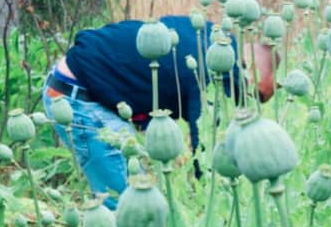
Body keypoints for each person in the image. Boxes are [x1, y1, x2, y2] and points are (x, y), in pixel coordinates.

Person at [42, 15, 276, 206]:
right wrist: (211, 201)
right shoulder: (219, 69)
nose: (245, 100)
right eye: (255, 94)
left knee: (140, 198)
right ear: (251, 69)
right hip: (78, 99)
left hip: (85, 85)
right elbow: (205, 144)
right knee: (128, 208)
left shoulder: (212, 34)